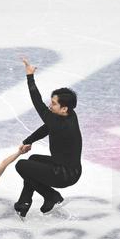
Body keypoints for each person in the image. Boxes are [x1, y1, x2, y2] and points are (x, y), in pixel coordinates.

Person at [14, 57, 82, 219]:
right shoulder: (70, 115)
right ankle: (23, 203)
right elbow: (48, 127)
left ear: (64, 108)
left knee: (21, 166)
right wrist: (28, 141)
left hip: (64, 175)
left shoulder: (59, 123)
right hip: (69, 168)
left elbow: (37, 103)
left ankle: (52, 196)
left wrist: (30, 76)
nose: (50, 106)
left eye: (54, 103)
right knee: (33, 160)